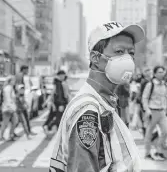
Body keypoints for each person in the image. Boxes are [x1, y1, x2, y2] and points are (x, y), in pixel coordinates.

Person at [49, 21, 144, 172]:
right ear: (95, 58)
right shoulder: (88, 110)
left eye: (131, 53)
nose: (128, 59)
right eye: (119, 52)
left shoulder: (105, 102)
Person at [142, 66, 167, 161]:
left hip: (162, 111)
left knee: (165, 132)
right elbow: (144, 98)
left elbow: (165, 97)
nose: (162, 74)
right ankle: (147, 153)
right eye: (160, 72)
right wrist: (147, 110)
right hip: (152, 111)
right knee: (149, 133)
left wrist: (166, 109)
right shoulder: (150, 85)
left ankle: (159, 151)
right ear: (155, 73)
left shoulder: (165, 84)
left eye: (163, 72)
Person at [0, 76, 18, 141]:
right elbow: (8, 99)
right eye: (13, 81)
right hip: (8, 108)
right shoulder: (8, 88)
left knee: (14, 121)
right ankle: (2, 136)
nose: (14, 82)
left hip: (11, 107)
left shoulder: (10, 88)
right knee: (6, 123)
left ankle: (11, 135)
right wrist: (10, 107)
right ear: (10, 81)